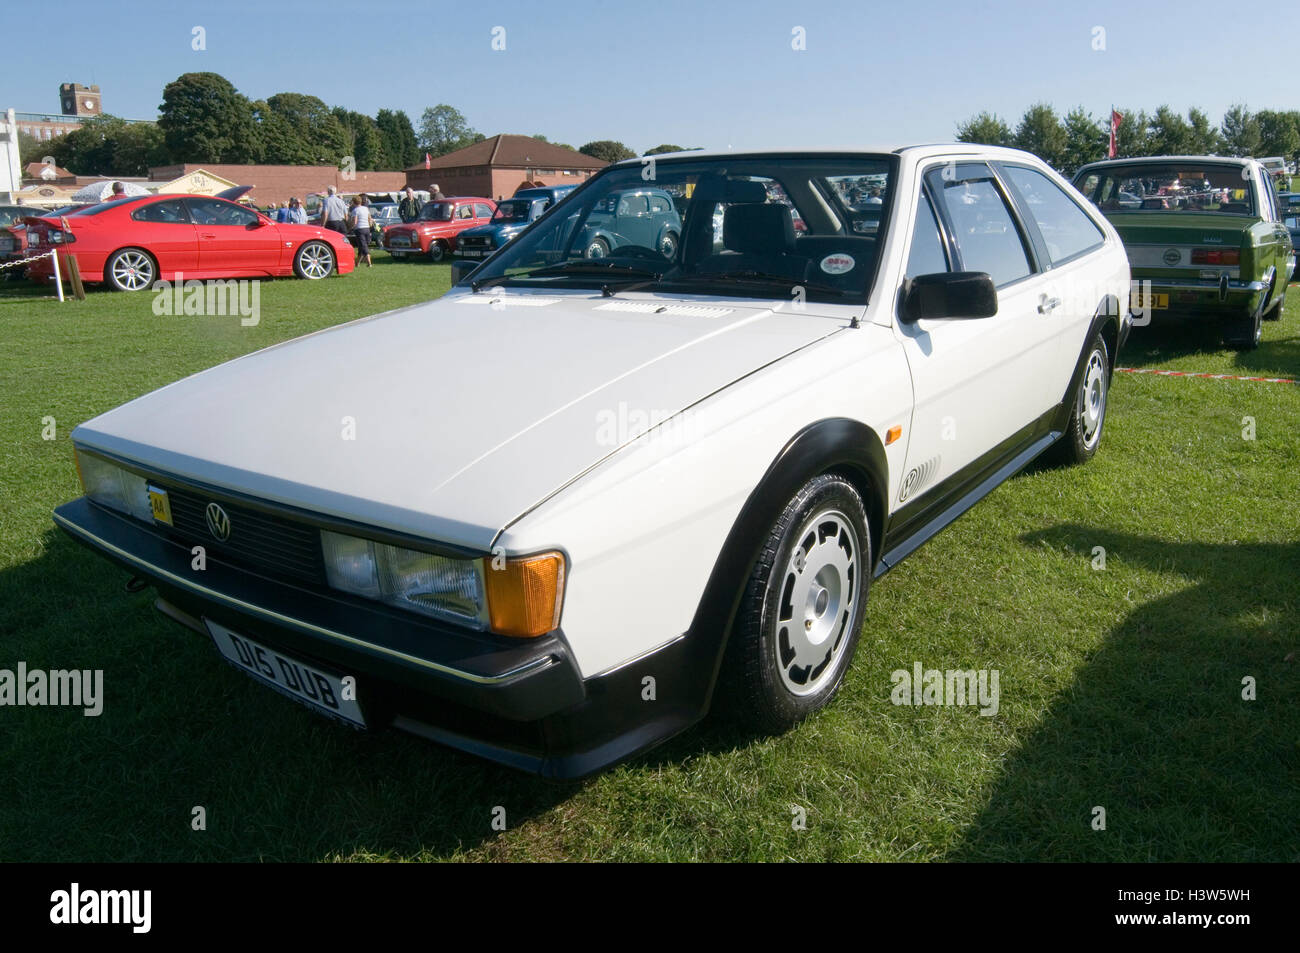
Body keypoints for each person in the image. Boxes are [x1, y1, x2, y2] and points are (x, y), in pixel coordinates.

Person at [348, 196, 372, 268]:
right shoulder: (366, 209)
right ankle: (357, 263)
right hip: (367, 228)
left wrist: (350, 228)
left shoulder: (355, 210)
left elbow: (354, 221)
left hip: (359, 229)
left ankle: (369, 263)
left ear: (354, 202)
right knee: (362, 246)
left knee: (363, 246)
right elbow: (369, 218)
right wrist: (370, 225)